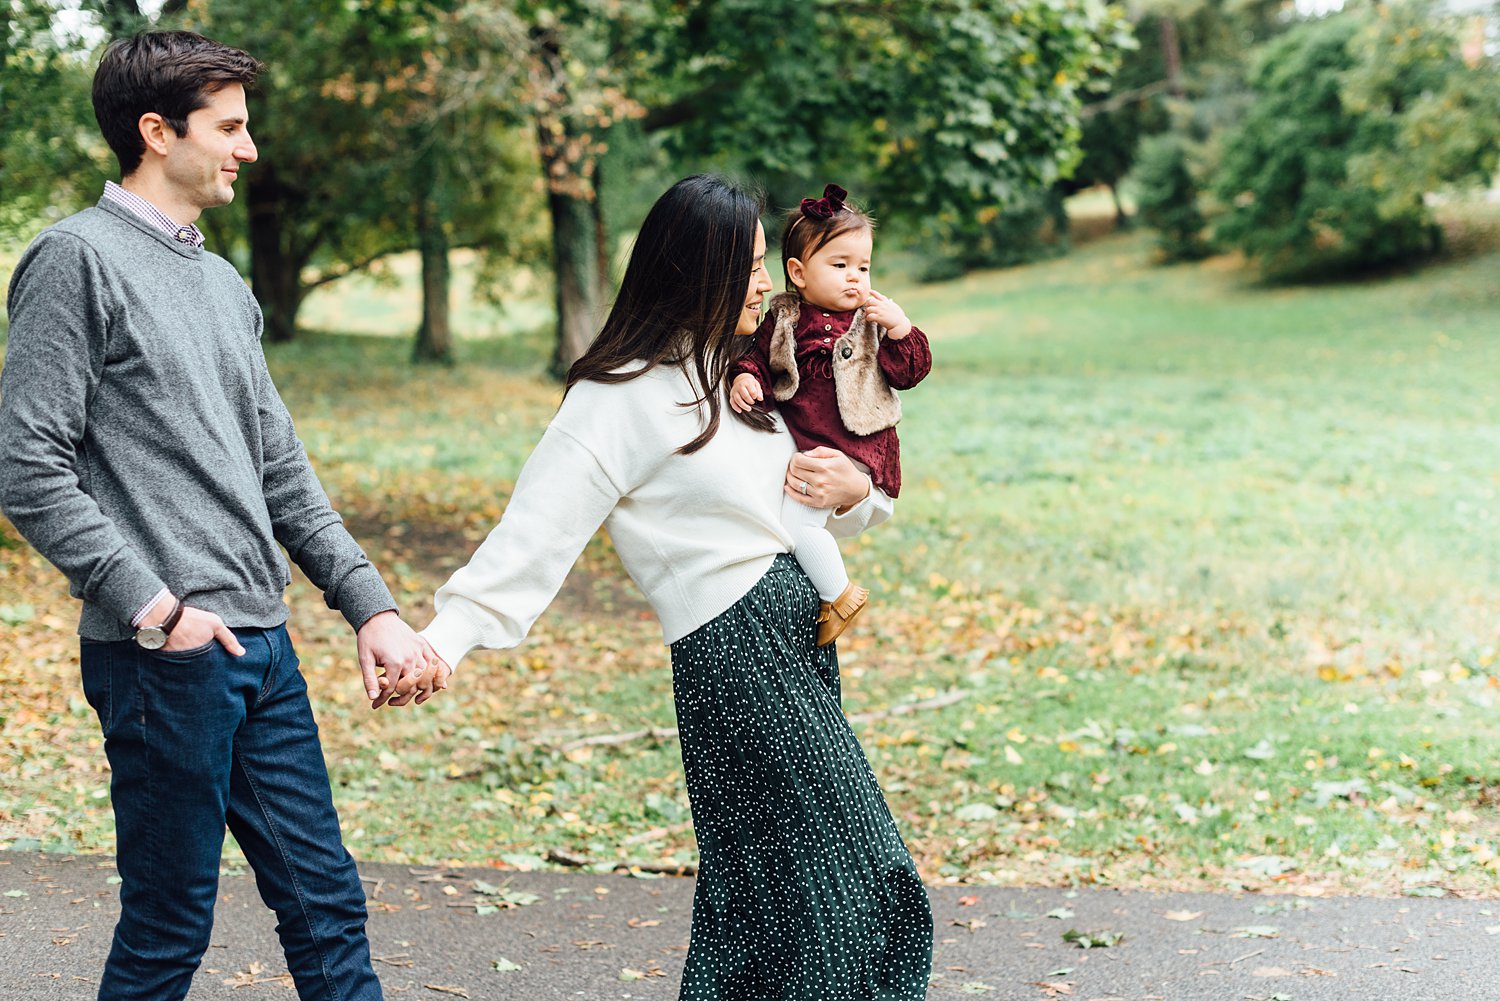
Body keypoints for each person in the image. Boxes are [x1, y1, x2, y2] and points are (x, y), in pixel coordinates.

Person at [0, 31, 443, 1001]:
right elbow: (27, 466)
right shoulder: (74, 260)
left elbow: (278, 468)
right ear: (157, 131)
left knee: (327, 902)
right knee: (168, 927)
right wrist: (156, 611)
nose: (250, 148)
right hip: (168, 656)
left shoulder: (219, 281)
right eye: (231, 127)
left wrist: (370, 604)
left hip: (264, 646)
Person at [420, 174, 933, 999]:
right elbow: (533, 536)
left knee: (768, 902)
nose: (767, 284)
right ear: (696, 273)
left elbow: (803, 509)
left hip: (795, 647)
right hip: (734, 658)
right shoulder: (615, 396)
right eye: (753, 266)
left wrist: (859, 496)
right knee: (861, 882)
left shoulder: (741, 375)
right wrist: (443, 641)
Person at [730, 183, 932, 647]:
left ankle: (839, 594)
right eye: (840, 266)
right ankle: (833, 592)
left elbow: (909, 373)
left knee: (799, 526)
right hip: (815, 446)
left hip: (858, 444)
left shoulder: (870, 320)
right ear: (798, 273)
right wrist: (745, 377)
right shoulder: (782, 318)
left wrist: (901, 329)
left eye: (863, 267)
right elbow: (757, 359)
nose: (854, 279)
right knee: (798, 522)